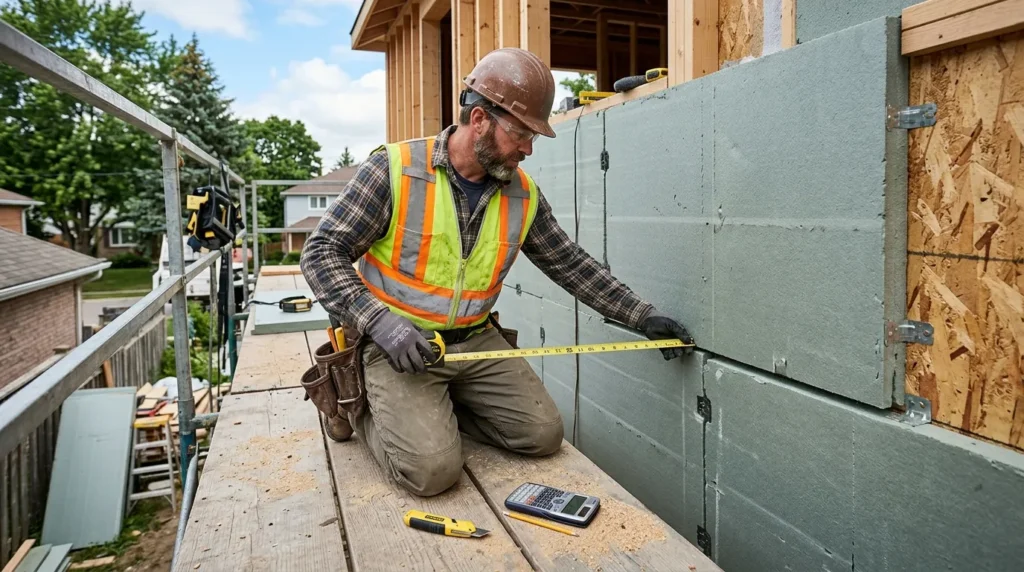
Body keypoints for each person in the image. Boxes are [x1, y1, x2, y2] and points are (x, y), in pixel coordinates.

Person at [300, 48, 693, 497]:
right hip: (398, 346)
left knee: (543, 435)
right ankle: (360, 407)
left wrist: (641, 315)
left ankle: (434, 413)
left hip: (475, 340)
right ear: (480, 119)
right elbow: (320, 252)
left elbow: (570, 263)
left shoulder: (521, 194)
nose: (527, 149)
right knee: (431, 473)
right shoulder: (394, 170)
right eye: (521, 133)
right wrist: (381, 323)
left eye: (533, 138)